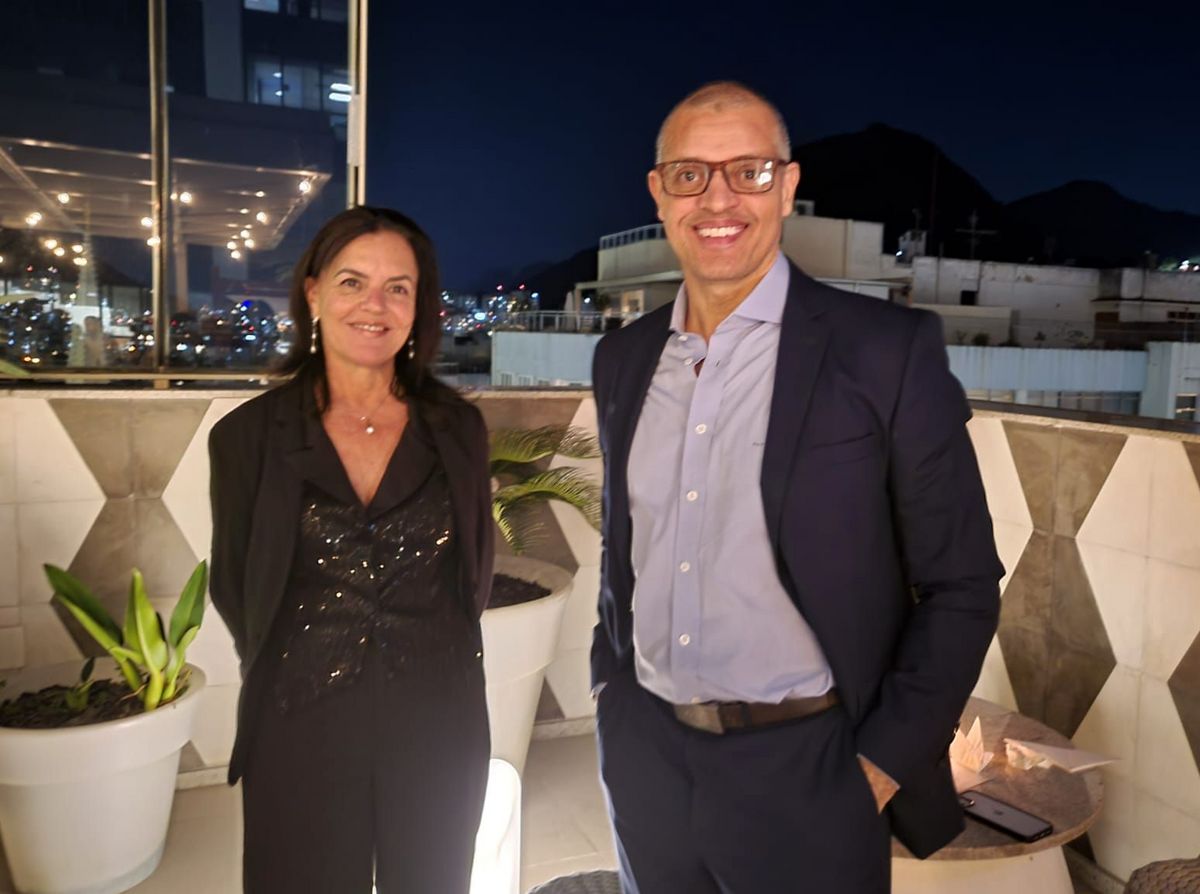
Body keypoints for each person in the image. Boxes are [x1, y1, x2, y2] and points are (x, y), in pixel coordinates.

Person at [590, 82, 1004, 893]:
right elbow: (625, 547)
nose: (718, 199)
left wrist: (879, 767)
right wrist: (610, 692)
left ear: (786, 187)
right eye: (690, 175)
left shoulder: (884, 351)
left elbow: (962, 583)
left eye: (748, 172)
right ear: (659, 193)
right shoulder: (624, 359)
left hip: (810, 771)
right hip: (646, 762)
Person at [208, 206, 494, 893]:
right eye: (352, 282)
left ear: (419, 306)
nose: (375, 305)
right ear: (313, 293)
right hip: (299, 719)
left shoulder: (458, 428)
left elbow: (474, 573)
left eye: (398, 287)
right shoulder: (247, 437)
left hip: (437, 719)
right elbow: (237, 585)